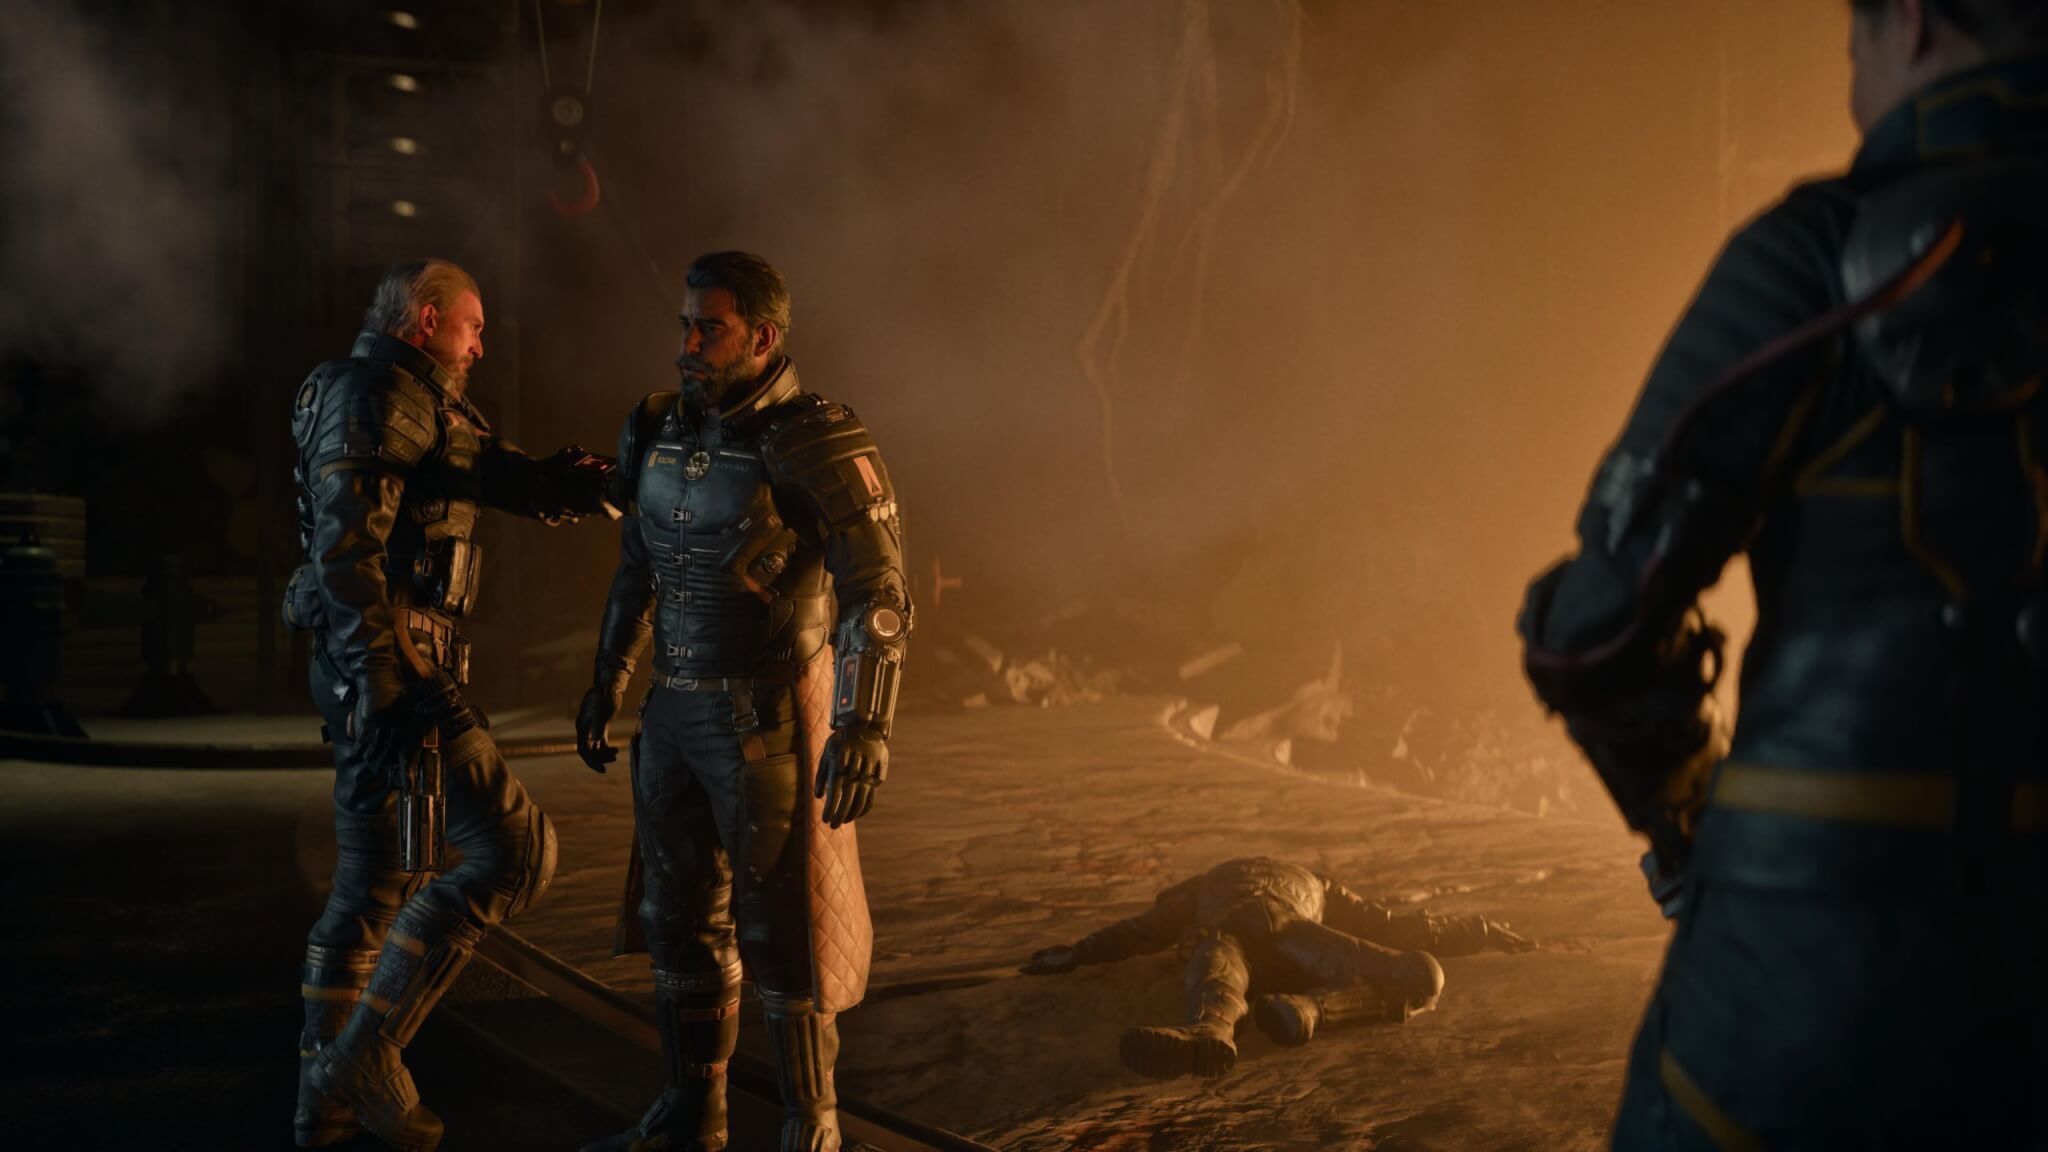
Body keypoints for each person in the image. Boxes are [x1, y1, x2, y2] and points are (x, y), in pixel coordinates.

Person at [1518, 3, 2048, 1146]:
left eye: (1853, 42)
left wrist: (1690, 821)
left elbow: (1591, 633)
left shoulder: (1813, 259)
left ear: (1909, 24)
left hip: (1804, 989)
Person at [576, 251, 911, 1152]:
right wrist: (610, 677)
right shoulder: (655, 426)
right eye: (685, 326)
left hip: (763, 720)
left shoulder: (816, 437)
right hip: (673, 716)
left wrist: (864, 720)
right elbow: (639, 565)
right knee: (676, 922)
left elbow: (878, 592)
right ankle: (694, 1112)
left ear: (762, 336)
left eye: (709, 329)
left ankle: (812, 1122)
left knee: (781, 931)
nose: (688, 345)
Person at [285, 258, 614, 1151]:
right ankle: (360, 1059)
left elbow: (485, 471)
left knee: (372, 883)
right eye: (473, 325)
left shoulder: (408, 397)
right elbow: (347, 555)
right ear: (427, 320)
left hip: (378, 660)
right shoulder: (377, 394)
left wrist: (576, 483)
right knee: (516, 853)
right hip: (394, 660)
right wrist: (383, 683)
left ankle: (324, 1106)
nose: (481, 344)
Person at [1021, 856, 1531, 1079]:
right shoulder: (1310, 886)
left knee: (1219, 969)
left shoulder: (1213, 889)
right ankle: (1275, 1019)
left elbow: (1140, 930)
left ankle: (1254, 1022)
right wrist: (1479, 930)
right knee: (1420, 976)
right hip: (1291, 938)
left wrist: (1078, 952)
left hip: (1280, 936)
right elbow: (1397, 926)